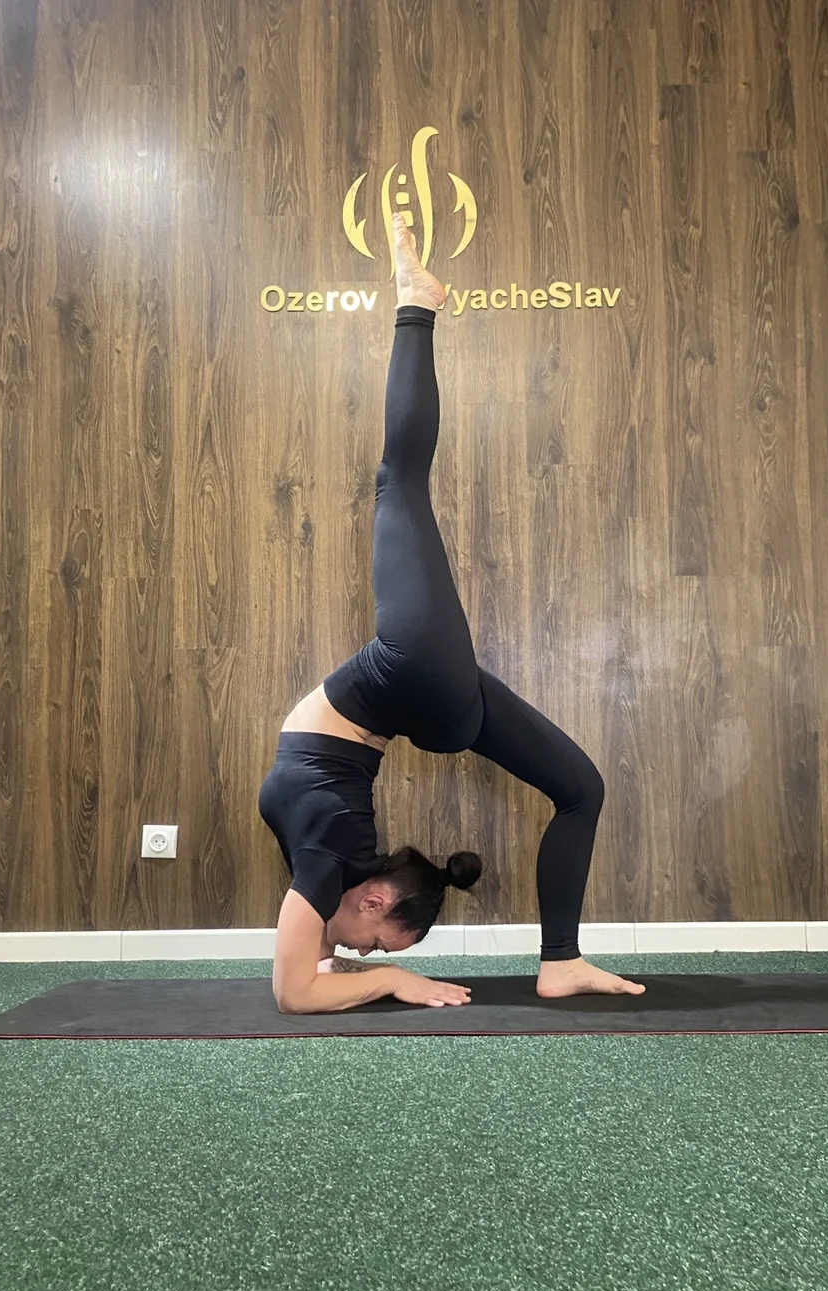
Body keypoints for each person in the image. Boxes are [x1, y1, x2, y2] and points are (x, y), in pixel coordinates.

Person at [259, 212, 645, 1013]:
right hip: (417, 683)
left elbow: (300, 983)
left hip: (417, 688)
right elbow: (299, 988)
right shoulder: (331, 857)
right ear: (373, 895)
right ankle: (415, 303)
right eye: (373, 949)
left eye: (371, 949)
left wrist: (372, 971)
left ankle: (561, 962)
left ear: (373, 897)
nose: (355, 954)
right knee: (397, 481)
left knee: (581, 787)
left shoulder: (328, 858)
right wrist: (393, 978)